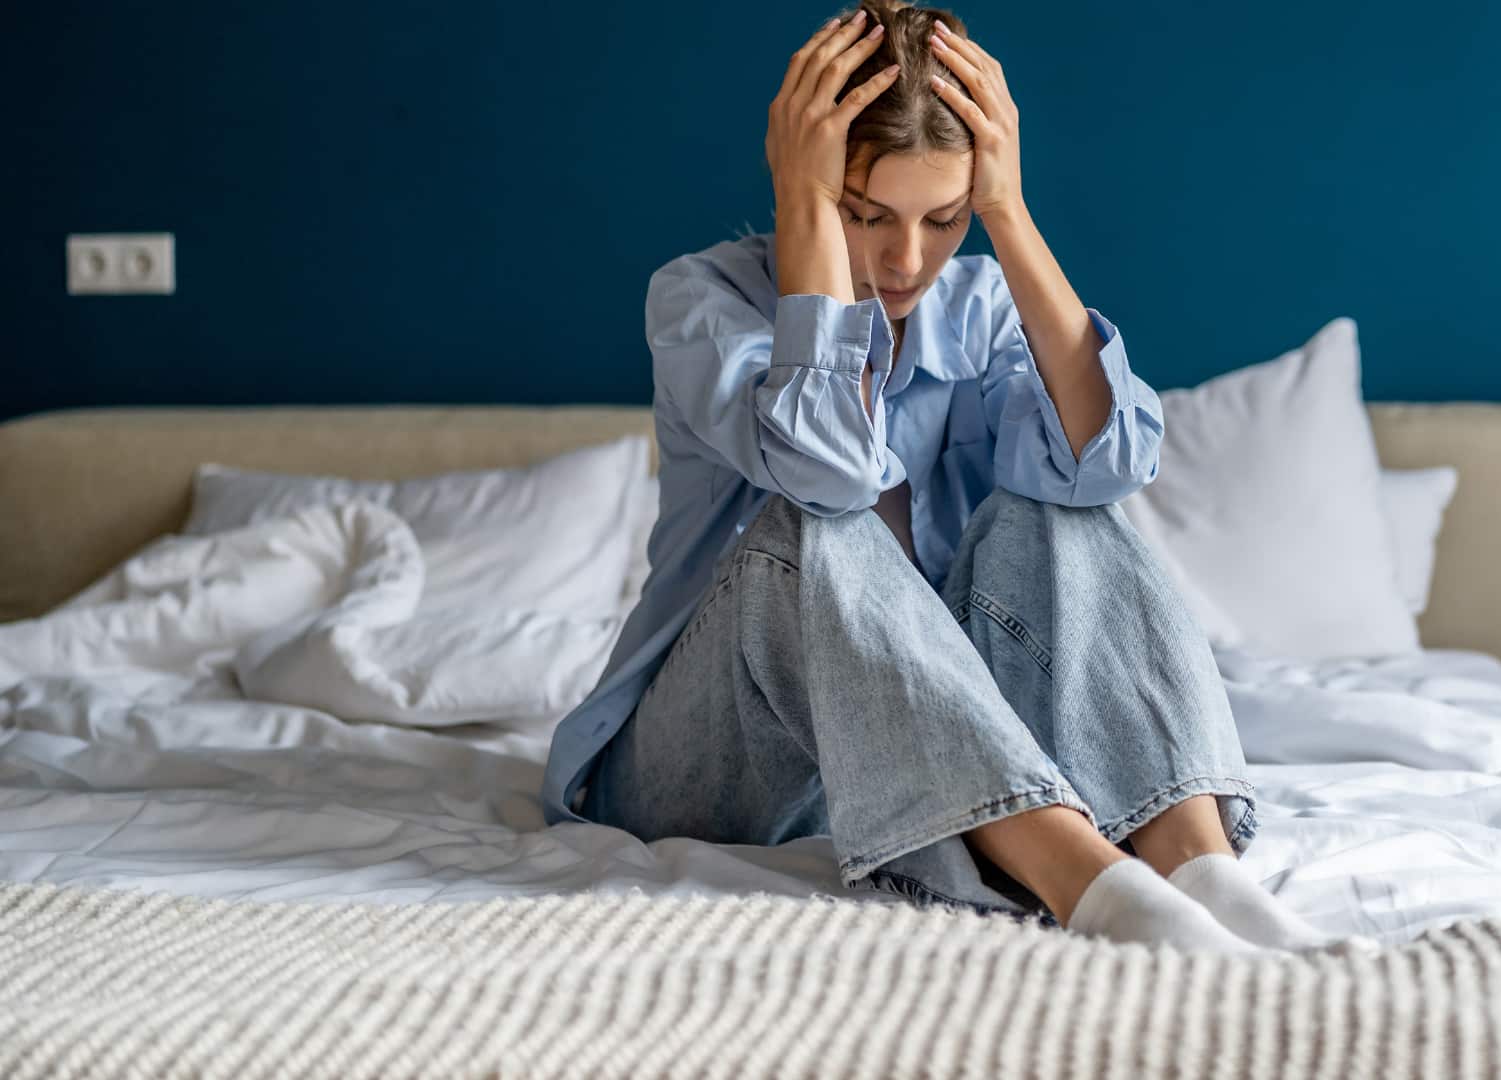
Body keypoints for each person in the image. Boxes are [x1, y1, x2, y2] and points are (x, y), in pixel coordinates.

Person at [541, 0, 1331, 955]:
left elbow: (1108, 464)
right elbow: (828, 478)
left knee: (1065, 506)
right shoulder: (701, 302)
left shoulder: (983, 307)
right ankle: (1094, 882)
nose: (905, 260)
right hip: (709, 764)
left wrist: (1009, 212)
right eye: (865, 214)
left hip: (930, 750)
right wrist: (804, 217)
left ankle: (1201, 869)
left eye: (943, 219)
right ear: (810, 184)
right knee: (818, 525)